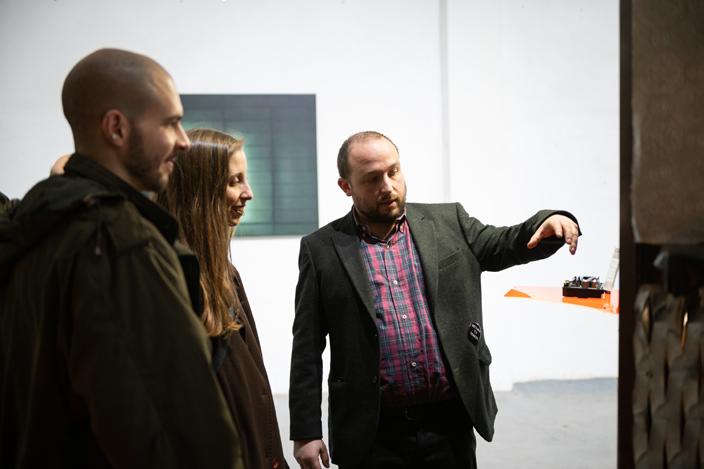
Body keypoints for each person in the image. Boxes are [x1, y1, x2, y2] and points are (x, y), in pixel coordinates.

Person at [0, 49, 243, 469]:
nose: (183, 141)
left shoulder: (36, 226)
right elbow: (177, 431)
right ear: (116, 128)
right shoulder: (118, 243)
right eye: (170, 123)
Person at [289, 130, 581, 469]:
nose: (388, 186)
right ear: (346, 186)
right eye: (372, 178)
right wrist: (306, 431)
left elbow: (505, 243)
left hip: (449, 423)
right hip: (373, 432)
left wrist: (547, 221)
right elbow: (307, 345)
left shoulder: (448, 222)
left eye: (393, 171)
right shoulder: (322, 249)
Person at [158, 128, 288, 469]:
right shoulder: (173, 279)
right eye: (235, 181)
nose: (249, 193)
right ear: (200, 189)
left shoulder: (224, 274)